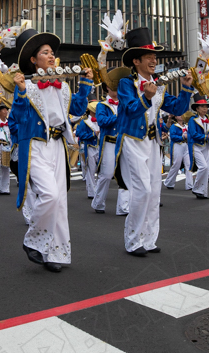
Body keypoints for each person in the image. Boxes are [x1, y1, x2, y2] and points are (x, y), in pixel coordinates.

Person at [10, 28, 93, 271]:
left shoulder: (63, 86)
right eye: (45, 52)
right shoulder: (24, 84)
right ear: (33, 60)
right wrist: (21, 92)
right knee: (50, 195)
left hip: (57, 146)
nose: (50, 56)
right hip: (35, 145)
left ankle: (56, 254)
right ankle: (34, 241)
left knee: (60, 201)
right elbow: (18, 116)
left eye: (51, 52)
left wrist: (86, 83)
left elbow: (76, 111)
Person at [115, 27, 194, 255]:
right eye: (149, 56)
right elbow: (130, 111)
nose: (153, 60)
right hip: (132, 140)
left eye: (154, 56)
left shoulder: (158, 85)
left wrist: (187, 88)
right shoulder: (126, 84)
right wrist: (146, 97)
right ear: (136, 61)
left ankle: (148, 240)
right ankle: (133, 240)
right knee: (141, 191)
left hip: (153, 142)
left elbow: (178, 109)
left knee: (154, 192)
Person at [91, 84, 130, 215]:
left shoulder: (125, 103)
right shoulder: (102, 105)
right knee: (106, 175)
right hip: (109, 142)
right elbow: (101, 122)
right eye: (114, 86)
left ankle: (123, 207)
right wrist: (119, 116)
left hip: (124, 142)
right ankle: (98, 202)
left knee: (125, 174)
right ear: (107, 87)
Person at [188, 98, 209, 199]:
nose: (205, 109)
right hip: (195, 145)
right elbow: (193, 134)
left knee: (206, 168)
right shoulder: (192, 119)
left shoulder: (207, 118)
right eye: (202, 107)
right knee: (203, 166)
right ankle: (196, 188)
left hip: (205, 145)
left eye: (206, 107)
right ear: (197, 109)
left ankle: (202, 191)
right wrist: (205, 136)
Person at [74, 104, 100, 199]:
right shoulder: (84, 122)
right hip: (89, 147)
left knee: (102, 171)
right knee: (91, 170)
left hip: (101, 147)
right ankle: (91, 192)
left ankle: (98, 190)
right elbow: (79, 134)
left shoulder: (100, 120)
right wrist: (93, 134)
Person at [162, 114, 193, 190]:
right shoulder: (174, 126)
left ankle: (190, 185)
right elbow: (172, 137)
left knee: (189, 164)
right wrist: (182, 137)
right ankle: (169, 182)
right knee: (176, 164)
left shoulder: (186, 126)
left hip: (186, 145)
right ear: (176, 117)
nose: (181, 116)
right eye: (179, 115)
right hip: (177, 145)